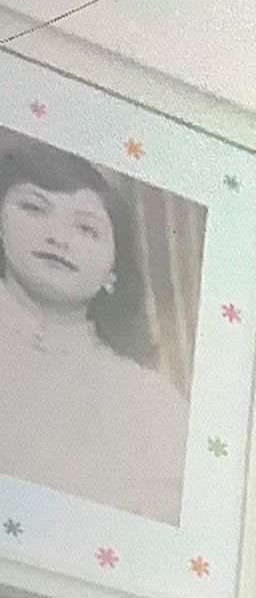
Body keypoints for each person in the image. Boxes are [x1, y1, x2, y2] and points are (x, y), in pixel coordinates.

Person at [0, 140, 188, 524]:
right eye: (34, 208)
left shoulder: (150, 402)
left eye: (87, 229)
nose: (59, 237)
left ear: (113, 270)